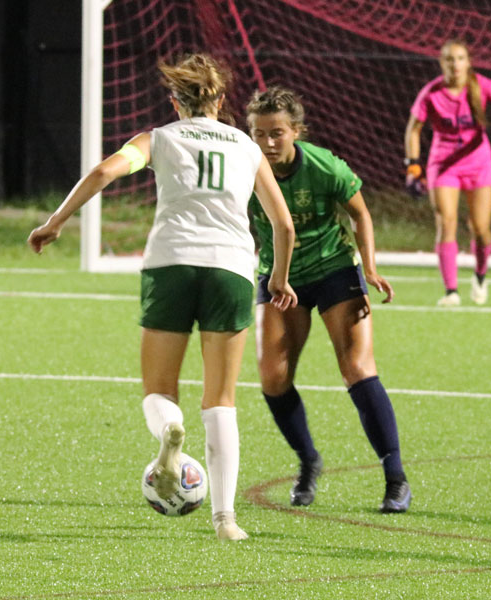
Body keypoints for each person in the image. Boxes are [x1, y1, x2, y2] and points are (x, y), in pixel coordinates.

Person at [27, 53, 298, 541]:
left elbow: (104, 173)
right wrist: (277, 279)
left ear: (175, 102)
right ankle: (226, 520)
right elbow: (282, 223)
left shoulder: (158, 139)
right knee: (221, 400)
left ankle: (169, 431)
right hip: (230, 269)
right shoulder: (246, 146)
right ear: (219, 99)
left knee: (159, 390)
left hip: (170, 264)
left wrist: (56, 220)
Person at [245, 86, 412, 513]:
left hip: (334, 269)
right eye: (259, 133)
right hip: (279, 277)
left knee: (357, 367)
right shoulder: (243, 168)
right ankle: (308, 461)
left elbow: (360, 213)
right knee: (272, 376)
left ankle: (395, 478)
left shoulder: (323, 166)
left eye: (277, 133)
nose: (267, 143)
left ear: (296, 131)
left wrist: (369, 268)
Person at [404, 39, 491, 307]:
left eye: (460, 58)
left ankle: (481, 275)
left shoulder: (482, 85)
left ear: (469, 62)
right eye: (450, 59)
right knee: (446, 221)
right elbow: (413, 129)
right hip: (443, 164)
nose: (456, 64)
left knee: (481, 229)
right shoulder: (431, 93)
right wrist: (413, 166)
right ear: (442, 64)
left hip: (479, 163)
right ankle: (451, 292)